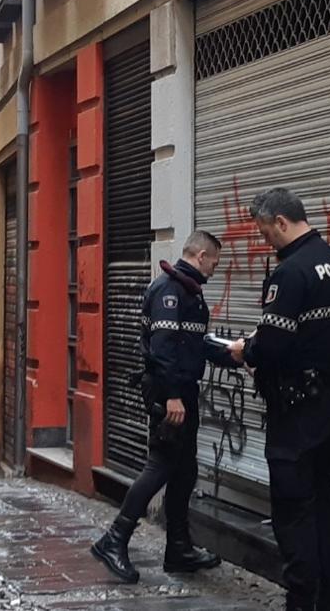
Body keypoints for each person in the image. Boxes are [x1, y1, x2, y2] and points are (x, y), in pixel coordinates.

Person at [226, 187, 330, 611]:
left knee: (294, 512)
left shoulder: (290, 272)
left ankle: (301, 601)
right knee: (325, 507)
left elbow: (277, 345)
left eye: (265, 232)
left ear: (281, 222)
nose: (265, 241)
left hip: (296, 411)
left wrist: (248, 350)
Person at [90, 230, 241, 583]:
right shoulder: (169, 291)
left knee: (184, 470)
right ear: (201, 255)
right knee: (159, 467)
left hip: (183, 392)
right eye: (215, 261)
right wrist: (171, 394)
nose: (215, 269)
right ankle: (114, 539)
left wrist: (234, 356)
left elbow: (194, 344)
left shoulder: (188, 291)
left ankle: (179, 548)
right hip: (168, 395)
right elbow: (162, 347)